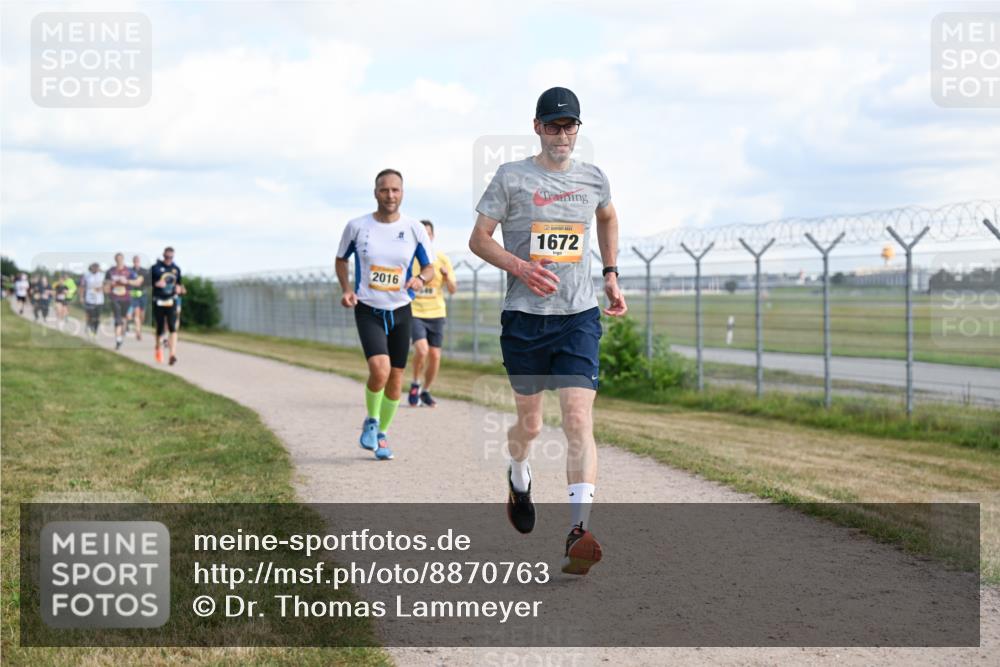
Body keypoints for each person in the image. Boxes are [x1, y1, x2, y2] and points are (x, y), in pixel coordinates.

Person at [468, 87, 628, 576]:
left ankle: (578, 530)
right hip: (525, 320)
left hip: (578, 316)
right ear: (537, 127)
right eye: (554, 126)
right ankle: (519, 476)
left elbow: (607, 216)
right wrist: (520, 267)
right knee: (531, 426)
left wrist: (611, 273)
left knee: (578, 420)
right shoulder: (511, 177)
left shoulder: (594, 178)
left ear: (578, 129)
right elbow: (478, 240)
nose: (563, 135)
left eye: (570, 126)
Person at [335, 169, 435, 461]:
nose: (390, 195)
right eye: (384, 190)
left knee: (396, 377)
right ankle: (371, 419)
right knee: (380, 370)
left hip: (402, 309)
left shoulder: (414, 228)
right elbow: (341, 259)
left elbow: (428, 267)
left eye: (395, 190)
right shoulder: (357, 226)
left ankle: (381, 435)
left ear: (402, 193)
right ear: (375, 192)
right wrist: (345, 289)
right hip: (368, 308)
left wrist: (421, 279)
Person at [407, 219, 457, 408]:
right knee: (422, 350)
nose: (425, 238)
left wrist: (446, 277)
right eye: (422, 235)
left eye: (428, 234)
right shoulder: (409, 259)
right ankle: (415, 383)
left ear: (432, 236)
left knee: (435, 356)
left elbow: (452, 289)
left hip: (436, 313)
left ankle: (425, 391)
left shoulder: (442, 259)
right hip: (414, 312)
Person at [151, 247, 185, 365]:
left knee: (172, 326)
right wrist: (156, 284)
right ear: (163, 255)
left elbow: (180, 285)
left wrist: (180, 289)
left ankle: (172, 354)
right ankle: (158, 348)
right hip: (159, 300)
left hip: (171, 300)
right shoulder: (155, 268)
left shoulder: (176, 269)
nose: (168, 259)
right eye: (166, 257)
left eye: (171, 257)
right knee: (160, 327)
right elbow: (148, 282)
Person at [105, 253, 139, 350]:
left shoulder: (129, 271)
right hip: (115, 298)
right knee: (117, 319)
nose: (119, 260)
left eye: (120, 258)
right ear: (115, 260)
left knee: (124, 319)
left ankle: (121, 335)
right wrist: (110, 284)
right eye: (117, 259)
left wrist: (127, 281)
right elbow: (106, 285)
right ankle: (118, 339)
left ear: (123, 259)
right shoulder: (110, 271)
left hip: (126, 298)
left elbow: (137, 282)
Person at [80, 263, 106, 337]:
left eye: (97, 267)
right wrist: (81, 297)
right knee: (90, 315)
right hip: (89, 299)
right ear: (91, 268)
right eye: (93, 267)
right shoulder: (86, 275)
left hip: (99, 300)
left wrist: (101, 288)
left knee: (97, 317)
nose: (95, 269)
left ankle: (95, 330)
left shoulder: (102, 275)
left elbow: (107, 285)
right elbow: (82, 286)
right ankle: (90, 326)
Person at [128, 255, 149, 340]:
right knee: (136, 313)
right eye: (135, 261)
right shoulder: (130, 271)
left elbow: (141, 282)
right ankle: (138, 332)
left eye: (137, 261)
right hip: (134, 295)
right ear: (133, 262)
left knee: (142, 316)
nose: (136, 262)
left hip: (143, 294)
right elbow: (129, 282)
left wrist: (134, 282)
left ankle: (139, 327)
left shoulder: (144, 271)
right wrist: (133, 282)